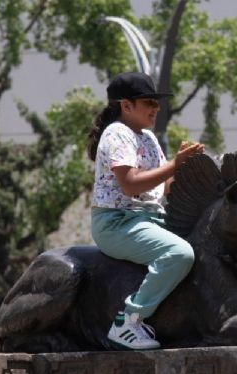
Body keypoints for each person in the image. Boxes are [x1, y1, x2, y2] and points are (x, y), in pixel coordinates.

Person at [87, 72, 205, 350]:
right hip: (116, 223)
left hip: (150, 220)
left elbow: (162, 189)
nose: (156, 108)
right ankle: (127, 321)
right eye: (148, 102)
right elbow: (129, 186)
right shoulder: (116, 133)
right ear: (126, 106)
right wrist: (175, 163)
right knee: (179, 253)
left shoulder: (148, 137)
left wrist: (187, 167)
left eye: (156, 103)